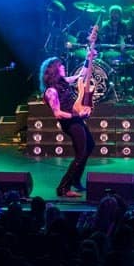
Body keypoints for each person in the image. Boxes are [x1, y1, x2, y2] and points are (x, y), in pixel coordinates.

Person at [40, 50, 96, 198]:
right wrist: (76, 114)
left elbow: (81, 76)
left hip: (76, 119)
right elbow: (57, 113)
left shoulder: (63, 81)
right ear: (54, 70)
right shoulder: (51, 91)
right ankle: (63, 188)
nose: (63, 67)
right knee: (80, 154)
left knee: (90, 145)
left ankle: (76, 180)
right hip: (69, 123)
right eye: (61, 66)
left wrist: (88, 59)